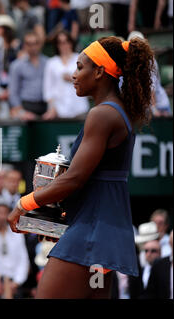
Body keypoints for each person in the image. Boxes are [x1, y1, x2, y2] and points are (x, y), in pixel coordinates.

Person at [8, 35, 155, 298]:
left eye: (79, 67)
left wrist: (25, 204)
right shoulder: (117, 111)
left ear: (99, 71)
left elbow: (74, 179)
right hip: (105, 229)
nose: (74, 75)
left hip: (92, 232)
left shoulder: (102, 114)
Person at [0, 198, 29, 298]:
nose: (1, 216)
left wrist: (16, 283)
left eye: (4, 213)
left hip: (14, 283)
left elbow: (23, 259)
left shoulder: (17, 233)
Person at [42, 30, 89, 120]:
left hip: (79, 109)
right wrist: (52, 108)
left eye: (66, 41)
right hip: (59, 111)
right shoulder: (51, 63)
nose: (64, 45)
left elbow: (87, 81)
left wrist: (72, 79)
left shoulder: (80, 58)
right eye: (60, 42)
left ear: (71, 42)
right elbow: (47, 89)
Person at [8, 31, 48, 121]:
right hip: (26, 107)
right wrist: (21, 112)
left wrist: (52, 108)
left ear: (39, 44)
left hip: (45, 107)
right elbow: (13, 92)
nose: (33, 47)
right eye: (29, 44)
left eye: (35, 43)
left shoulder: (48, 63)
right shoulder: (17, 65)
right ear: (25, 46)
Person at [143, 230, 172, 299]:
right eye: (146, 251)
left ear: (160, 253)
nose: (149, 254)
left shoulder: (165, 268)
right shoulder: (140, 269)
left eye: (153, 251)